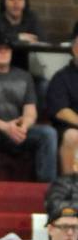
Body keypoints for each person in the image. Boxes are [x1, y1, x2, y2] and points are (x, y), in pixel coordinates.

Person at [0, 31, 57, 183]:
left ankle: (46, 187)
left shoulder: (24, 76)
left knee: (48, 133)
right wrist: (5, 127)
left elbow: (30, 111)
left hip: (15, 130)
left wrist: (24, 127)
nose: (3, 52)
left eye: (7, 49)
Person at [0, 0, 48, 102]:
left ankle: (32, 117)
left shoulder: (31, 18)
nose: (16, 2)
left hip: (22, 70)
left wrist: (12, 39)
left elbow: (41, 40)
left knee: (43, 85)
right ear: (4, 2)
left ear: (25, 2)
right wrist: (18, 37)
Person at [46, 23, 78, 177]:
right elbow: (61, 111)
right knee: (72, 135)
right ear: (74, 49)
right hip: (72, 130)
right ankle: (70, 187)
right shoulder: (61, 78)